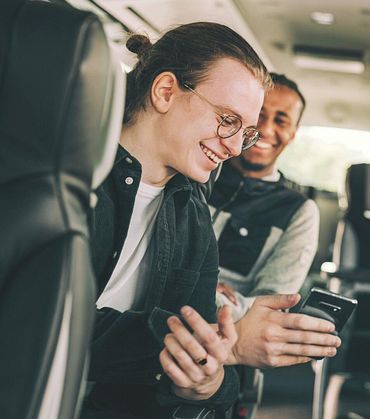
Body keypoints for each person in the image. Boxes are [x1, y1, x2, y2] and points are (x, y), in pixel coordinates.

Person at [85, 23, 339, 419]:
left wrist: (207, 380)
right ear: (165, 91)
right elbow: (48, 324)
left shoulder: (192, 215)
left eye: (246, 133)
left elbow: (210, 378)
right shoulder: (69, 178)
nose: (236, 146)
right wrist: (231, 342)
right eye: (227, 120)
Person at [210, 73, 319, 321]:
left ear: (293, 133)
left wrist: (209, 296)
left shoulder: (298, 211)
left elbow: (271, 304)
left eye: (281, 121)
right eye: (258, 114)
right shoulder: (197, 172)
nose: (265, 129)